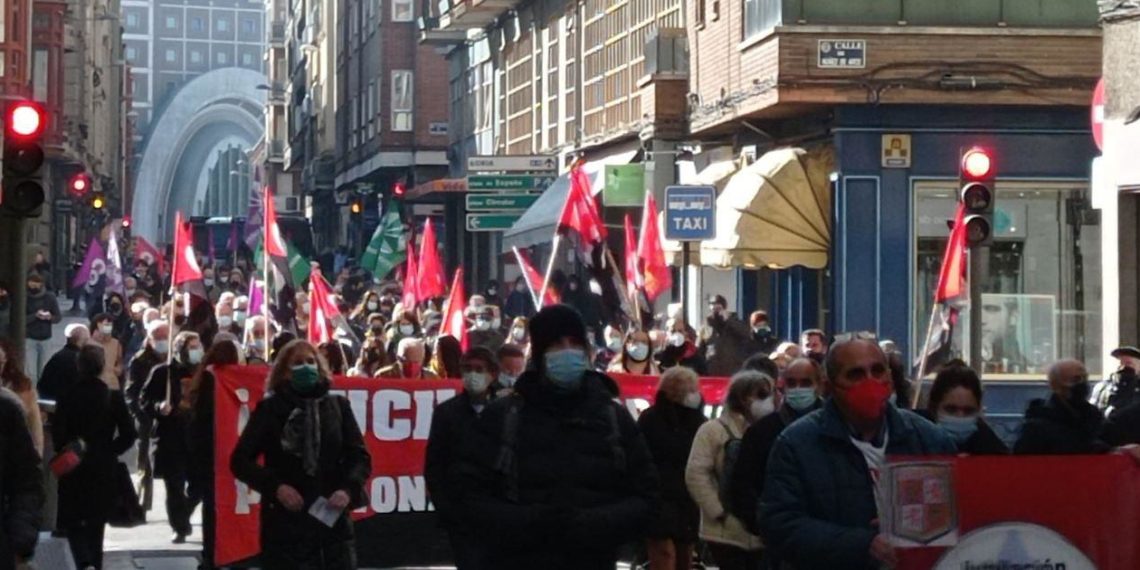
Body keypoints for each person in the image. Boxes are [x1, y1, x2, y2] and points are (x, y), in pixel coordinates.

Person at [455, 304, 658, 568]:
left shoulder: (612, 418)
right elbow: (469, 497)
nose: (567, 351)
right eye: (556, 344)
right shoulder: (503, 418)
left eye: (574, 342)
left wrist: (597, 522)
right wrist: (529, 521)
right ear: (539, 354)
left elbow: (647, 497)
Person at [760, 334, 956, 570]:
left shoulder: (928, 439)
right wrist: (862, 544)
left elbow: (957, 513)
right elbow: (780, 525)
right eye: (855, 374)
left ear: (891, 379)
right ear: (829, 386)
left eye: (877, 371)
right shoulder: (796, 444)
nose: (870, 382)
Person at [230, 340, 372, 568]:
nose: (306, 367)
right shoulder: (270, 410)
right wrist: (276, 487)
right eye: (297, 363)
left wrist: (348, 489)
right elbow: (240, 461)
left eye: (310, 361)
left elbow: (359, 457)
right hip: (286, 523)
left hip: (331, 521)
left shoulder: (337, 407)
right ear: (284, 371)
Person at [54, 344, 137, 570]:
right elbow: (129, 433)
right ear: (102, 367)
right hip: (103, 467)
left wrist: (69, 449)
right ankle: (94, 562)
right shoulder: (112, 397)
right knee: (96, 524)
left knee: (73, 521)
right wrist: (111, 450)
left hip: (73, 466)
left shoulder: (67, 397)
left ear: (79, 367)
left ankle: (81, 561)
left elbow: (58, 435)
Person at [685, 370, 771, 569]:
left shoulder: (770, 430)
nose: (767, 401)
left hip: (761, 532)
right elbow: (696, 474)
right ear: (743, 397)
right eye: (761, 395)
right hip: (723, 532)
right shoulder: (712, 430)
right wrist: (718, 511)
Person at [425, 347, 501, 569]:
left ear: (492, 374)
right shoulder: (446, 413)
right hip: (462, 513)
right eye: (467, 369)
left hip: (501, 511)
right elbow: (434, 465)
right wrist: (447, 509)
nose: (473, 374)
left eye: (479, 369)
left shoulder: (508, 409)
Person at [730, 358, 822, 539]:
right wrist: (764, 523)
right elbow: (742, 485)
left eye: (805, 383)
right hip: (778, 539)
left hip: (827, 535)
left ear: (819, 385)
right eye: (791, 383)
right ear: (783, 386)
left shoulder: (837, 428)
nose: (798, 389)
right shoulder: (761, 432)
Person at [637, 367, 707, 570]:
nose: (696, 393)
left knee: (685, 557)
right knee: (663, 553)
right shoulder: (650, 419)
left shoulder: (699, 421)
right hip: (660, 497)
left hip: (688, 498)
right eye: (691, 389)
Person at [141, 331, 205, 543]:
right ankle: (180, 527)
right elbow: (144, 400)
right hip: (171, 439)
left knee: (199, 485)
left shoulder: (204, 374)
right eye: (192, 347)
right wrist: (159, 407)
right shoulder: (163, 373)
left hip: (197, 438)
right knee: (175, 487)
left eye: (198, 346)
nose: (197, 351)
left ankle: (184, 512)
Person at [187, 341, 241, 569]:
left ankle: (211, 553)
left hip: (207, 454)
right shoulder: (224, 379)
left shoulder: (205, 378)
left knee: (211, 508)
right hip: (225, 451)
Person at [1014, 359, 1111, 455]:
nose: (1083, 384)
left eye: (1085, 378)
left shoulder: (1094, 415)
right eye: (1075, 379)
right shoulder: (1037, 425)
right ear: (1056, 386)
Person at [126, 319, 169, 511]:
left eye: (165, 337)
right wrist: (140, 415)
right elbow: (131, 392)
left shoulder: (173, 358)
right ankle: (143, 499)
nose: (161, 340)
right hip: (146, 417)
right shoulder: (139, 360)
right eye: (157, 337)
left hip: (168, 418)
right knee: (145, 460)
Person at [925, 361, 1009, 455]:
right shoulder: (914, 443)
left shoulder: (993, 451)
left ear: (978, 410)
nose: (959, 416)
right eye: (951, 410)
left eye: (968, 411)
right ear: (934, 408)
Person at [0, 340, 44, 456]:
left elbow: (34, 426)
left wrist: (37, 453)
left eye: (1, 363)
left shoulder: (22, 389)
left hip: (14, 454)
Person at [38, 323, 90, 402]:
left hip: (48, 398)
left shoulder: (58, 356)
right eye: (87, 339)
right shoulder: (78, 360)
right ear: (82, 341)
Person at [24, 272, 61, 381]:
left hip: (46, 338)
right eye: (32, 283)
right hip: (30, 338)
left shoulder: (50, 297)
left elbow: (58, 317)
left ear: (41, 284)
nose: (34, 285)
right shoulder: (24, 297)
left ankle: (42, 394)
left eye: (37, 283)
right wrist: (35, 315)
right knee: (31, 373)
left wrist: (50, 317)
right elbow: (20, 319)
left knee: (43, 371)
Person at [703, 295, 752, 376]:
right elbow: (700, 348)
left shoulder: (735, 322)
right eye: (713, 309)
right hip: (713, 371)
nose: (716, 312)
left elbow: (746, 334)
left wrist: (728, 320)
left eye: (718, 309)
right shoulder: (707, 327)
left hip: (733, 370)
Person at [1092, 346, 1140, 417]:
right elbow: (1092, 412)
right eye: (1120, 363)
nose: (1123, 367)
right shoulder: (1102, 388)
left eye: (1128, 363)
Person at [90, 313, 125, 390]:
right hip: (94, 384)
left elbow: (119, 362)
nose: (107, 328)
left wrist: (118, 369)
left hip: (112, 384)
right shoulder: (89, 343)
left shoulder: (116, 343)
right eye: (104, 325)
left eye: (109, 325)